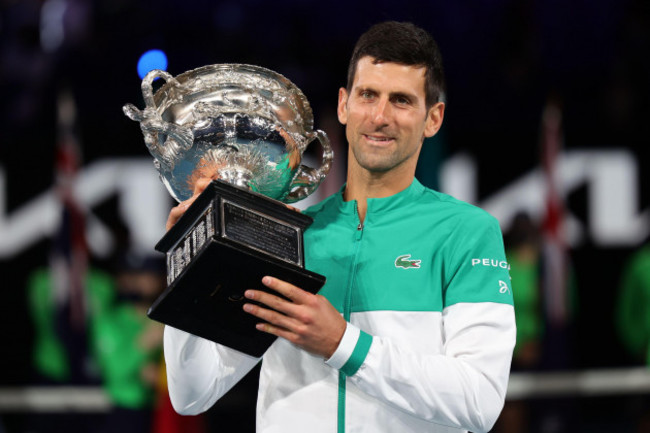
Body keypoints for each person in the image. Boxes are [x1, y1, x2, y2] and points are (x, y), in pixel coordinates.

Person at [163, 21, 516, 433]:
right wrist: (187, 261)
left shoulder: (467, 232)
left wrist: (343, 344)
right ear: (344, 105)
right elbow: (192, 394)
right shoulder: (287, 234)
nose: (380, 116)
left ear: (433, 118)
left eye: (401, 100)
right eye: (368, 95)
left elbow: (480, 400)